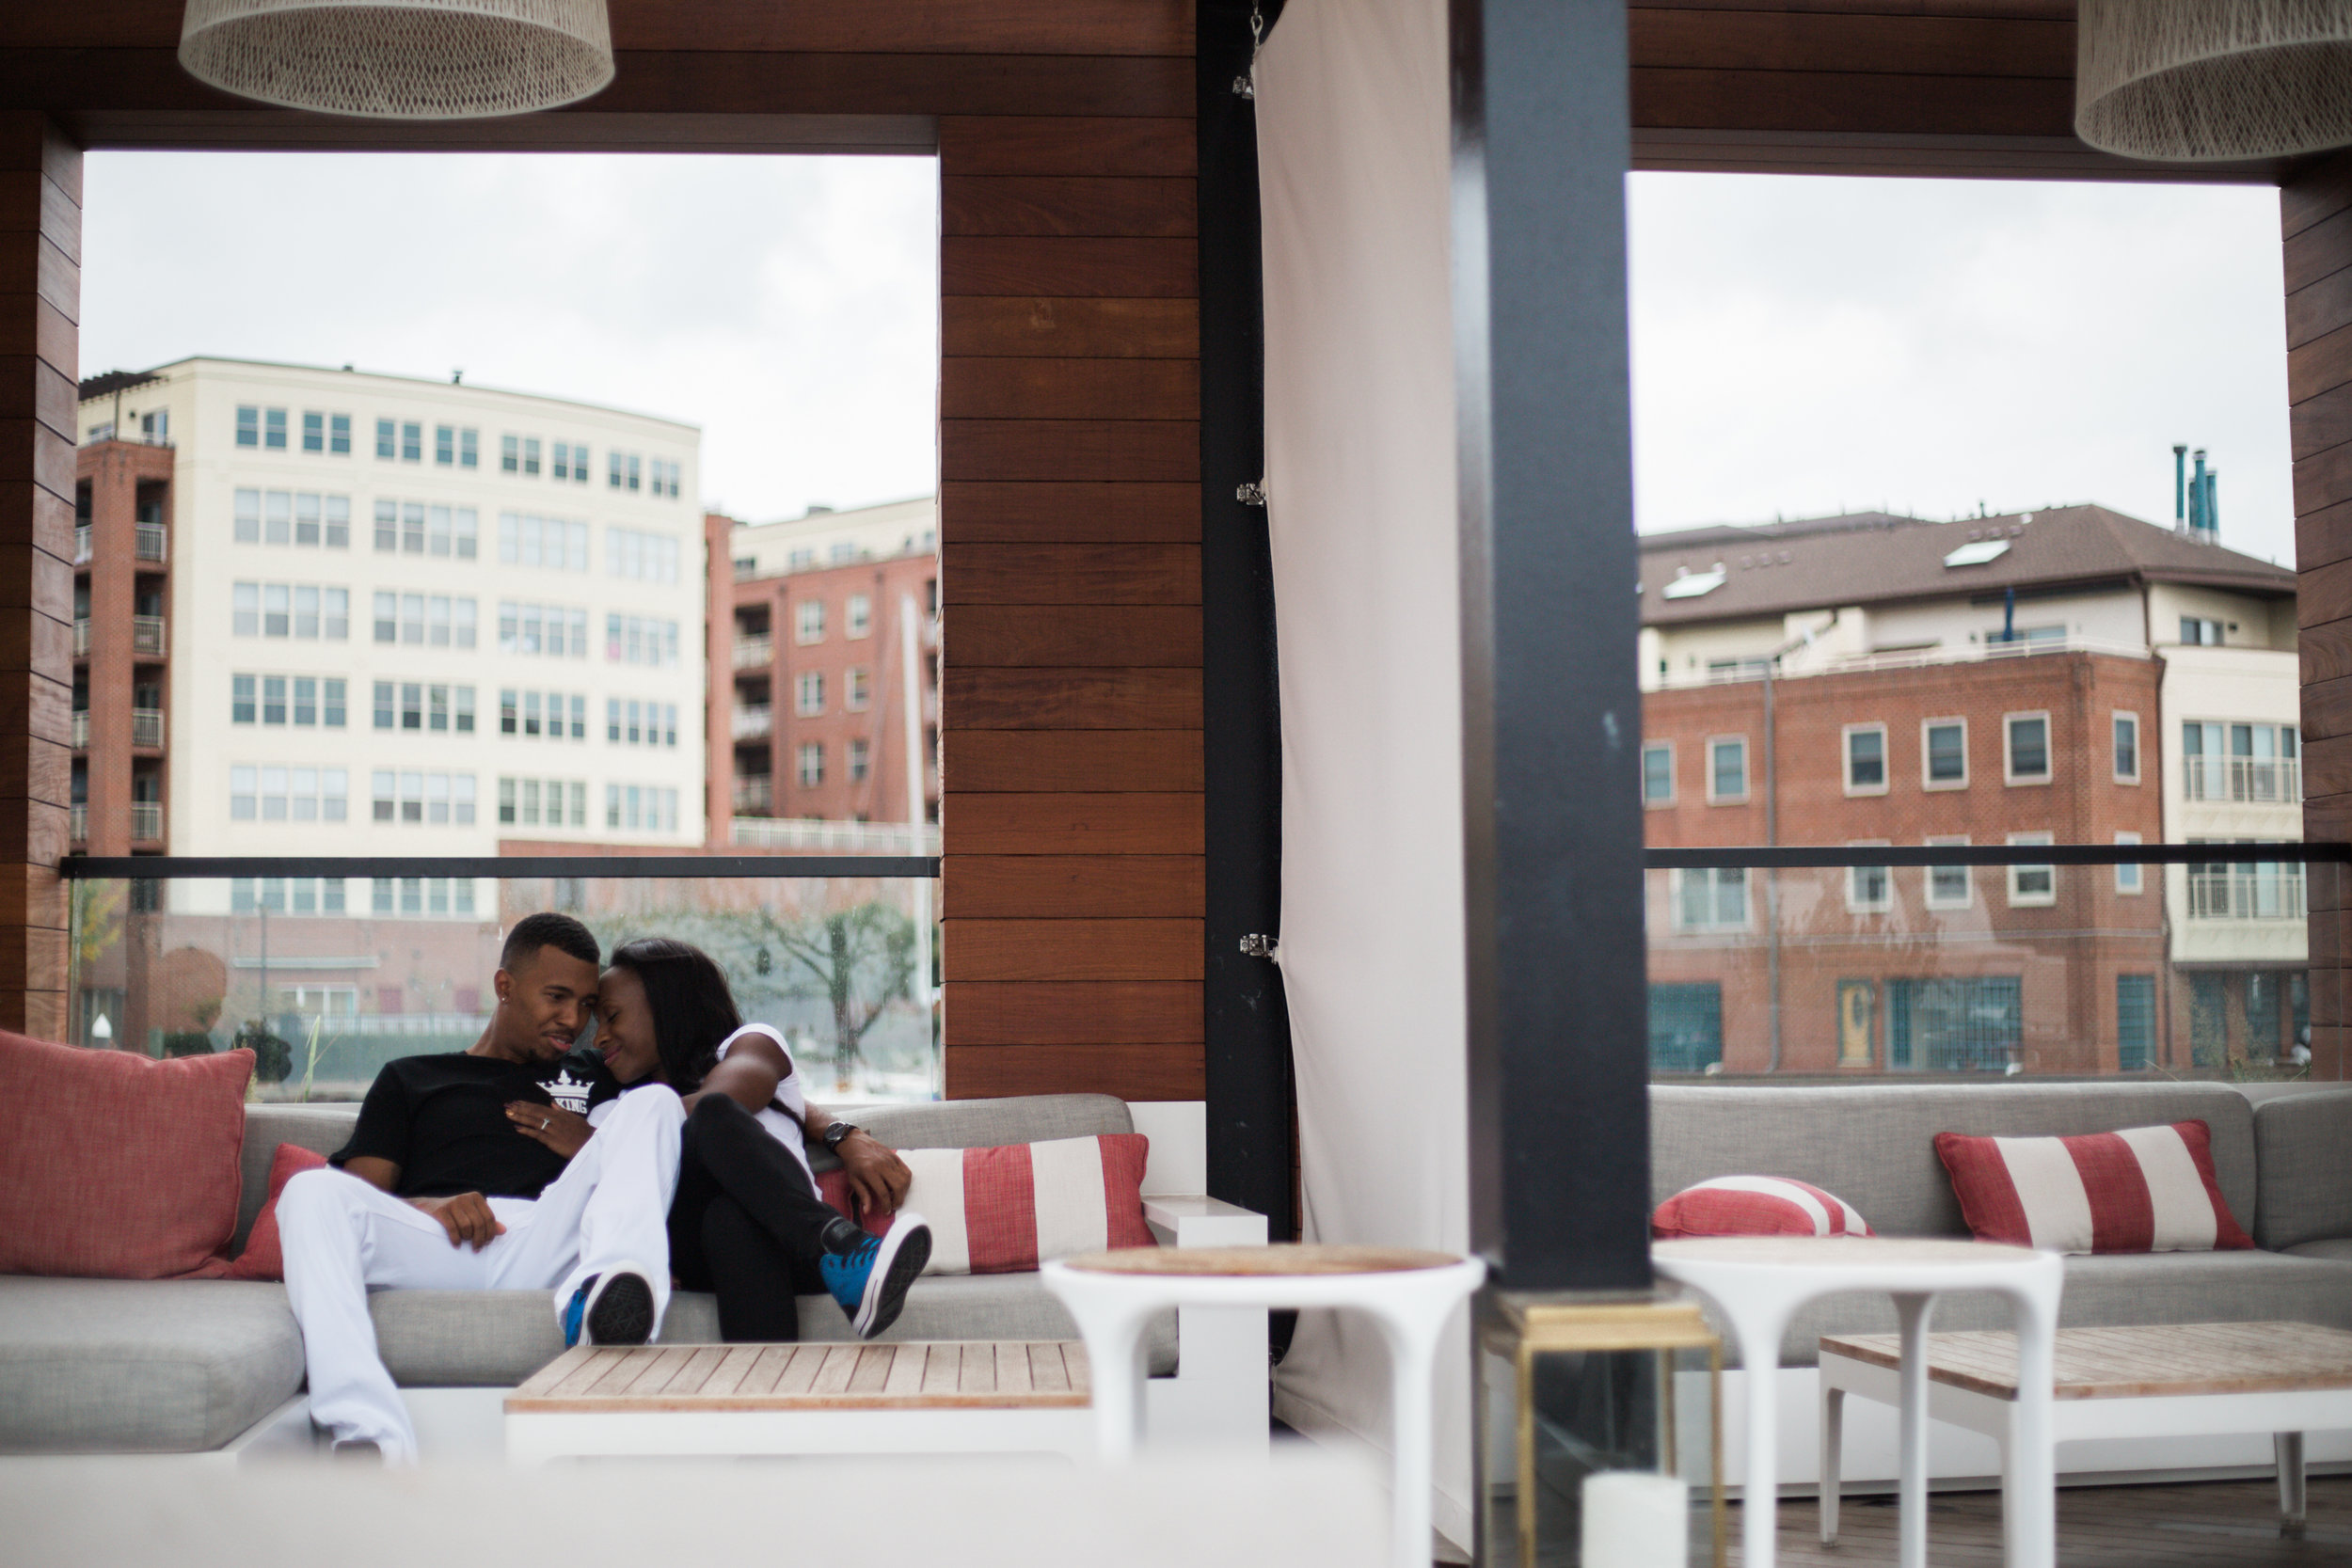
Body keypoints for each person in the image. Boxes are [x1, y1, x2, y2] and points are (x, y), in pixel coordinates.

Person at [276, 913, 685, 1464]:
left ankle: (603, 1296)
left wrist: (591, 1143)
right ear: (504, 987)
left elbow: (727, 1082)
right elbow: (359, 1198)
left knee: (655, 1102)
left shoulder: (601, 1072)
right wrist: (432, 1205)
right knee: (309, 1191)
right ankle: (367, 1432)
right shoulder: (412, 1077)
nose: (575, 1020)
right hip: (440, 1243)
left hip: (554, 1236)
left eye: (587, 1005)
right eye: (558, 997)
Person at [511, 936, 930, 1343]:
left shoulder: (751, 1046)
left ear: (667, 1006)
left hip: (786, 1242)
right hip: (690, 1254)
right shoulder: (615, 1108)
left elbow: (724, 1099)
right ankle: (841, 1248)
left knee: (731, 1213)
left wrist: (600, 1140)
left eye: (613, 1016)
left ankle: (762, 1403)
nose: (599, 1037)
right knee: (717, 1198)